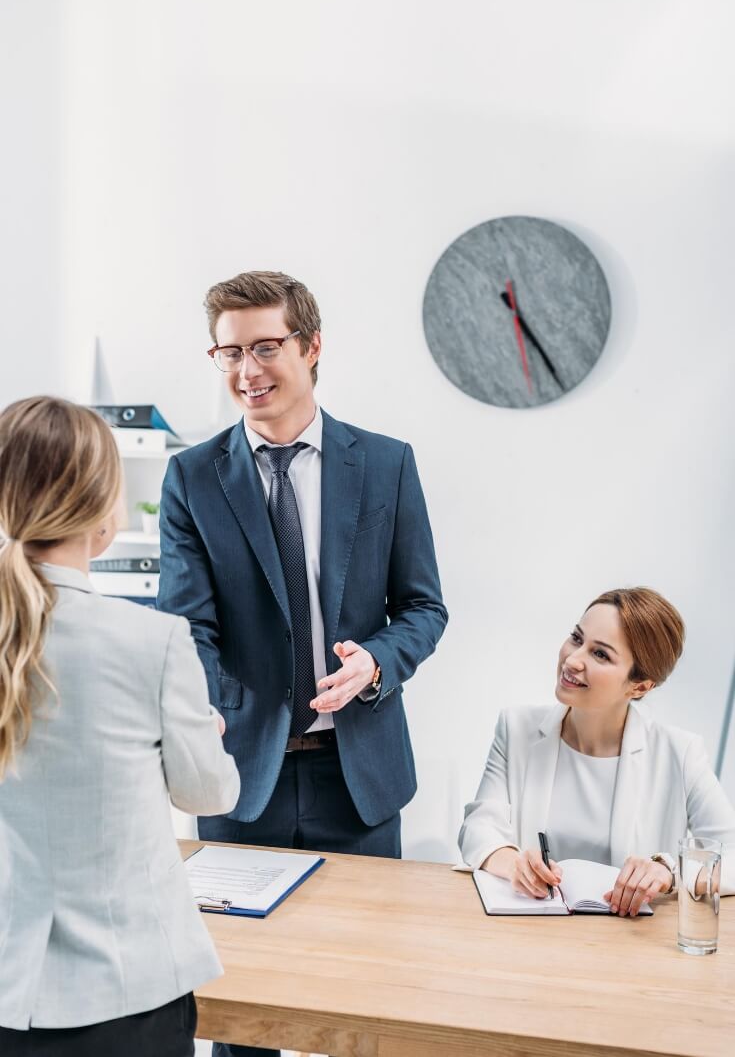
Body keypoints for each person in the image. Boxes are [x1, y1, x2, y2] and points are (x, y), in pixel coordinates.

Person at [158, 270, 448, 1057]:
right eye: (227, 353)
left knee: (361, 1011)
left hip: (356, 780)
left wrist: (377, 664)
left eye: (264, 348)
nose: (246, 371)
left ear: (311, 347)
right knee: (239, 1017)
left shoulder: (385, 464)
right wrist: (209, 702)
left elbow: (423, 608)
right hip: (237, 781)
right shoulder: (190, 476)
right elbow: (186, 625)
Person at [0, 396, 240, 1056]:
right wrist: (198, 734)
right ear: (104, 510)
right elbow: (210, 796)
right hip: (127, 994)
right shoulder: (153, 640)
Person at [459, 587, 735, 916]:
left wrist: (667, 871)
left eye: (600, 655)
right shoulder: (516, 728)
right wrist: (512, 862)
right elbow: (479, 827)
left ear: (640, 686)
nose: (573, 660)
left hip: (626, 949)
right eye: (577, 638)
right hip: (529, 935)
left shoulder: (680, 753)